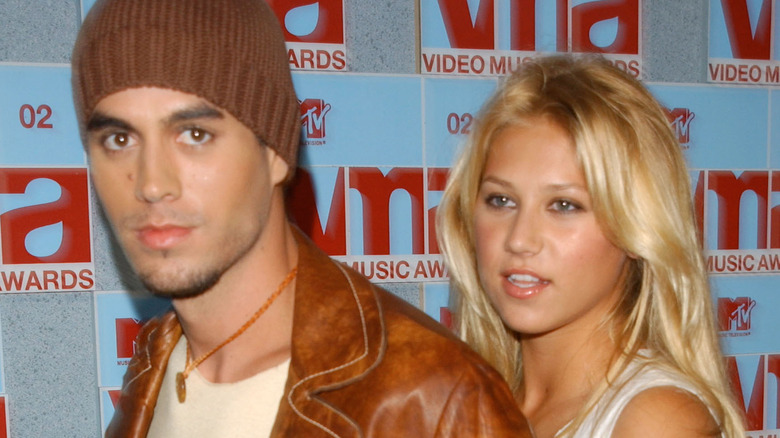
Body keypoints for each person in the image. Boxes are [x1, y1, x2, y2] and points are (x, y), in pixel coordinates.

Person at [71, 0, 532, 436]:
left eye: (195, 134)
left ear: (276, 151)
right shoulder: (155, 362)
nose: (151, 183)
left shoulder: (432, 399)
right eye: (118, 139)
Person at [437, 55, 745, 437]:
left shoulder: (657, 420)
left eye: (565, 205)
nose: (519, 239)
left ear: (636, 226)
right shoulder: (464, 404)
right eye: (501, 200)